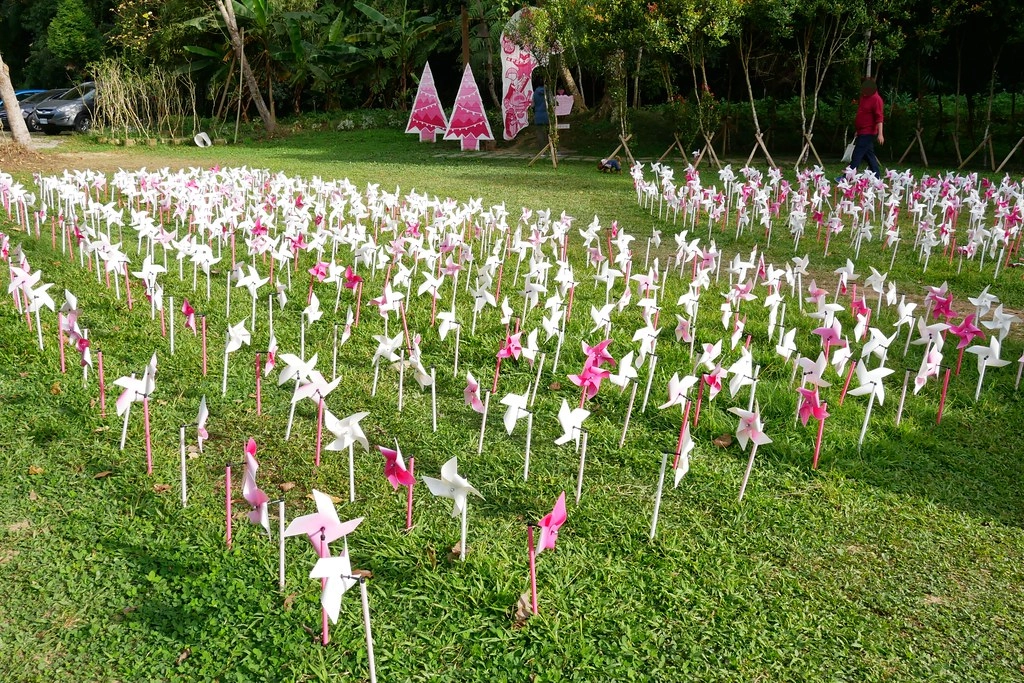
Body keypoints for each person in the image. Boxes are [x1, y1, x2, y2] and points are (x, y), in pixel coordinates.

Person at [846, 77, 884, 177]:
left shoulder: (876, 99)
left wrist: (880, 134)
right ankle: (876, 176)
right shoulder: (863, 97)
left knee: (857, 154)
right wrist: (857, 130)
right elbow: (862, 114)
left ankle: (848, 177)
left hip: (869, 131)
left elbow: (879, 117)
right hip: (862, 131)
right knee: (869, 156)